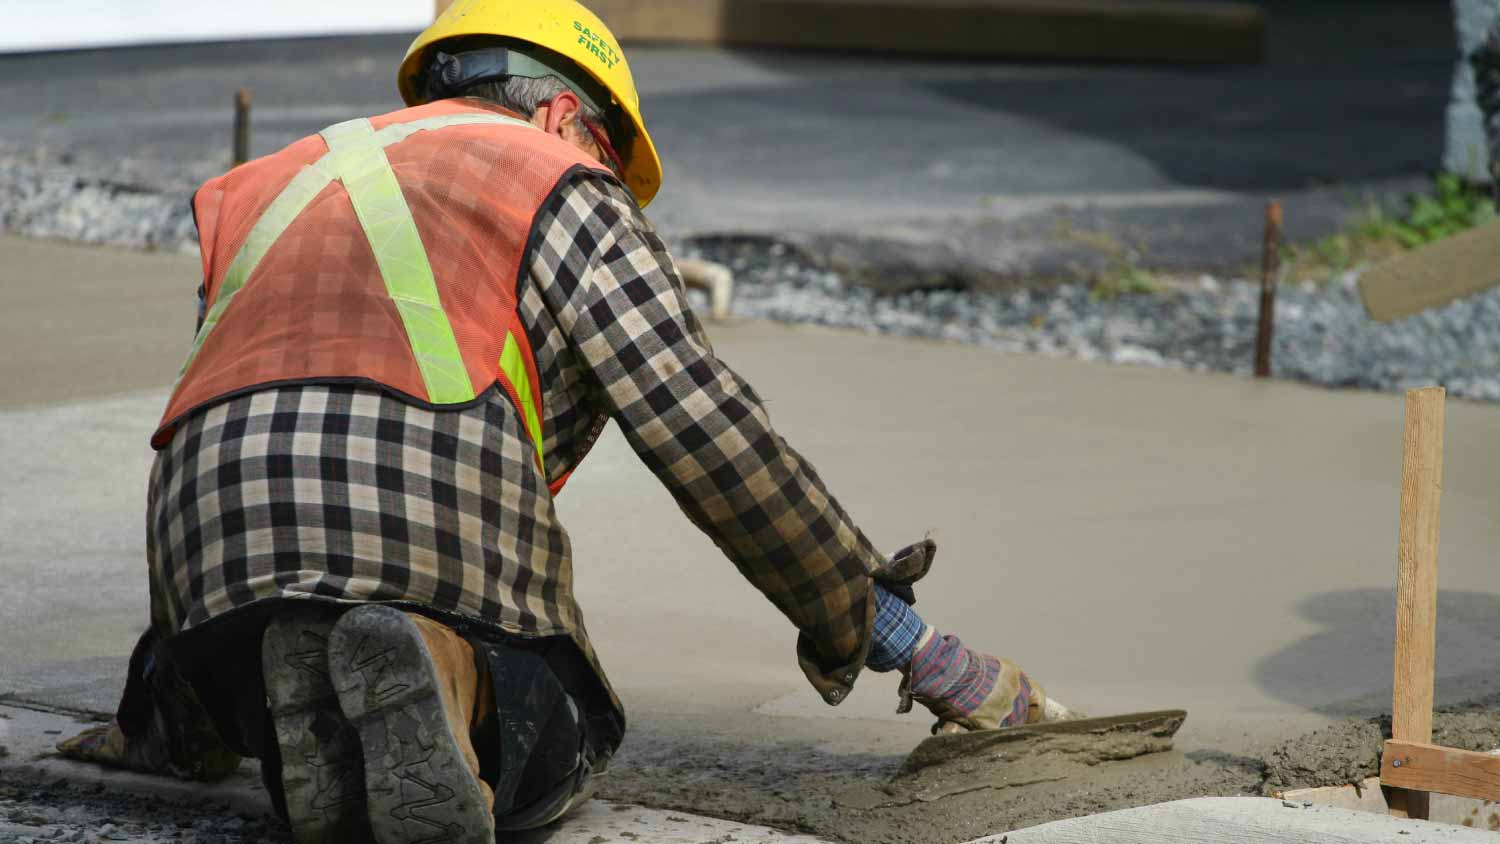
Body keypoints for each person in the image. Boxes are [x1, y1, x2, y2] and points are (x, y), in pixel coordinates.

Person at [58, 1, 1074, 840]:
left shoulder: (276, 183)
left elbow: (204, 427)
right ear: (560, 115)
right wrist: (899, 635)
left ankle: (292, 706)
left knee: (290, 681)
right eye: (604, 145)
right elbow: (710, 435)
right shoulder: (561, 186)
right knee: (567, 721)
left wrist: (157, 712)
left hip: (207, 574)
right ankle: (443, 666)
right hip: (423, 544)